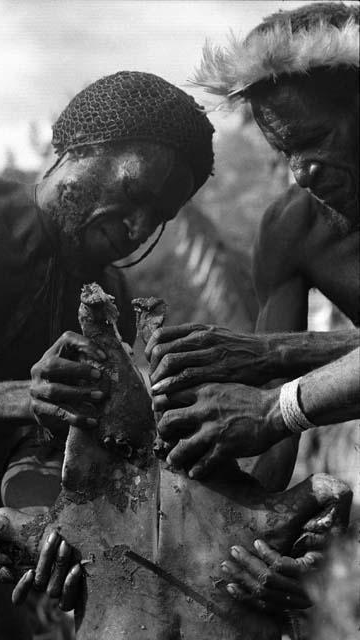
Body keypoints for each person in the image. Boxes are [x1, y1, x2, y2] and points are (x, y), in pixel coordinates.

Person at [0, 70, 214, 639]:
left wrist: (62, 524)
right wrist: (22, 398)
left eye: (160, 217)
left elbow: (72, 455)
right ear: (77, 150)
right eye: (135, 195)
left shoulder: (106, 301)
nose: (138, 227)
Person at [145, 1, 359, 614]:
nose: (301, 171)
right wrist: (263, 532)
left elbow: (277, 395)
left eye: (316, 139)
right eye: (280, 150)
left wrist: (276, 383)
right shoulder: (293, 230)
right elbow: (270, 436)